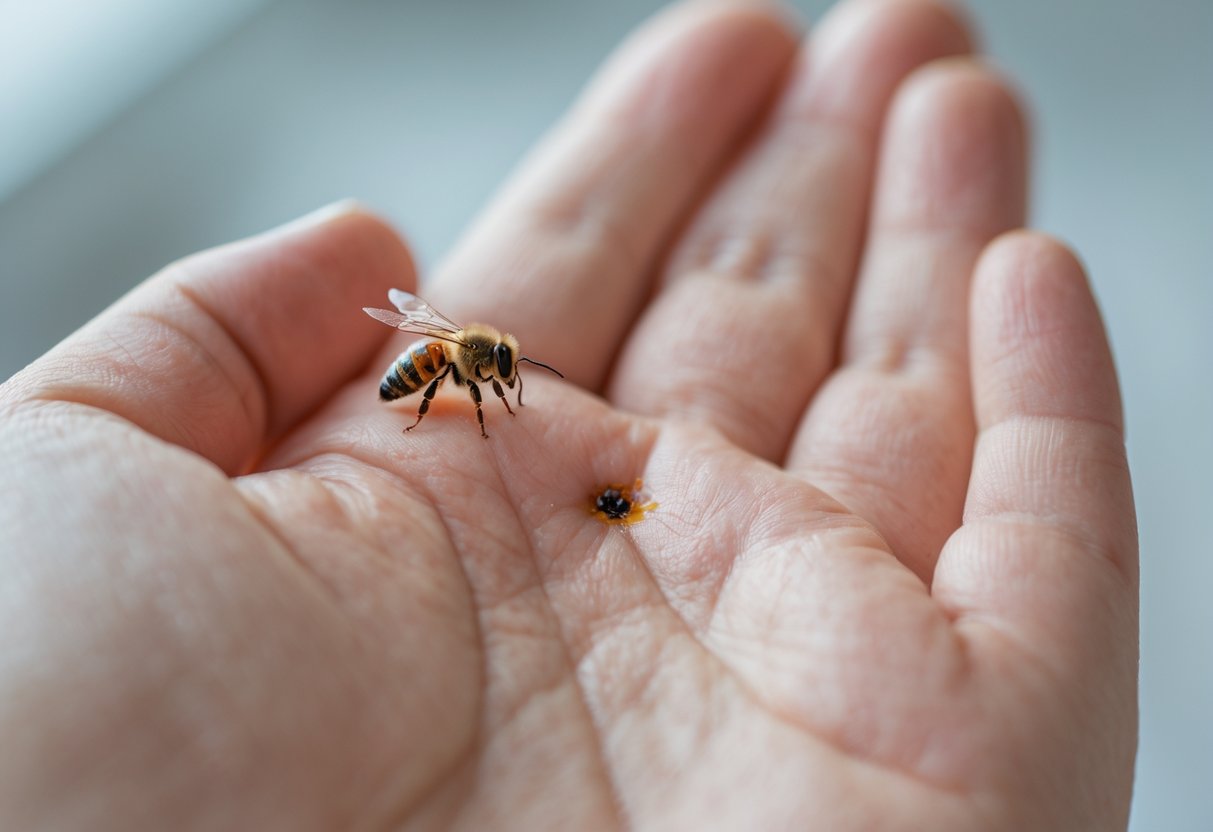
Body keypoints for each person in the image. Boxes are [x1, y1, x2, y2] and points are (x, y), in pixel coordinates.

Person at [0, 0, 1138, 828]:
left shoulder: (476, 361)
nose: (501, 382)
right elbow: (450, 371)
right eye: (495, 376)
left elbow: (461, 367)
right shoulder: (460, 367)